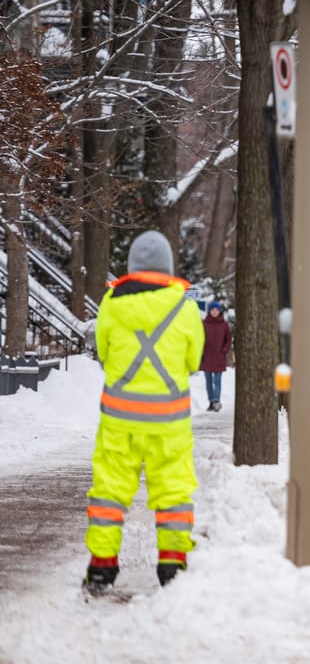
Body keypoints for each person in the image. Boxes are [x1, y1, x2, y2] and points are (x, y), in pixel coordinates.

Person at [83, 230, 204, 592]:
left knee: (109, 492)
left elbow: (103, 352)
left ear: (132, 267)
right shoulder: (185, 307)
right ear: (167, 268)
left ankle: (103, 566)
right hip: (169, 422)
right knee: (173, 491)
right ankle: (172, 564)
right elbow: (193, 360)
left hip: (119, 421)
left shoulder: (111, 303)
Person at [201, 303, 232, 412]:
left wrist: (223, 351)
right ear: (209, 311)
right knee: (208, 381)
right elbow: (199, 338)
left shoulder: (224, 324)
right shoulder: (204, 324)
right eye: (212, 310)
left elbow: (228, 339)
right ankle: (210, 401)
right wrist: (201, 353)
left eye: (216, 310)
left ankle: (216, 401)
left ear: (219, 311)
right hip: (207, 357)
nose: (214, 312)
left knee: (217, 381)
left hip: (219, 357)